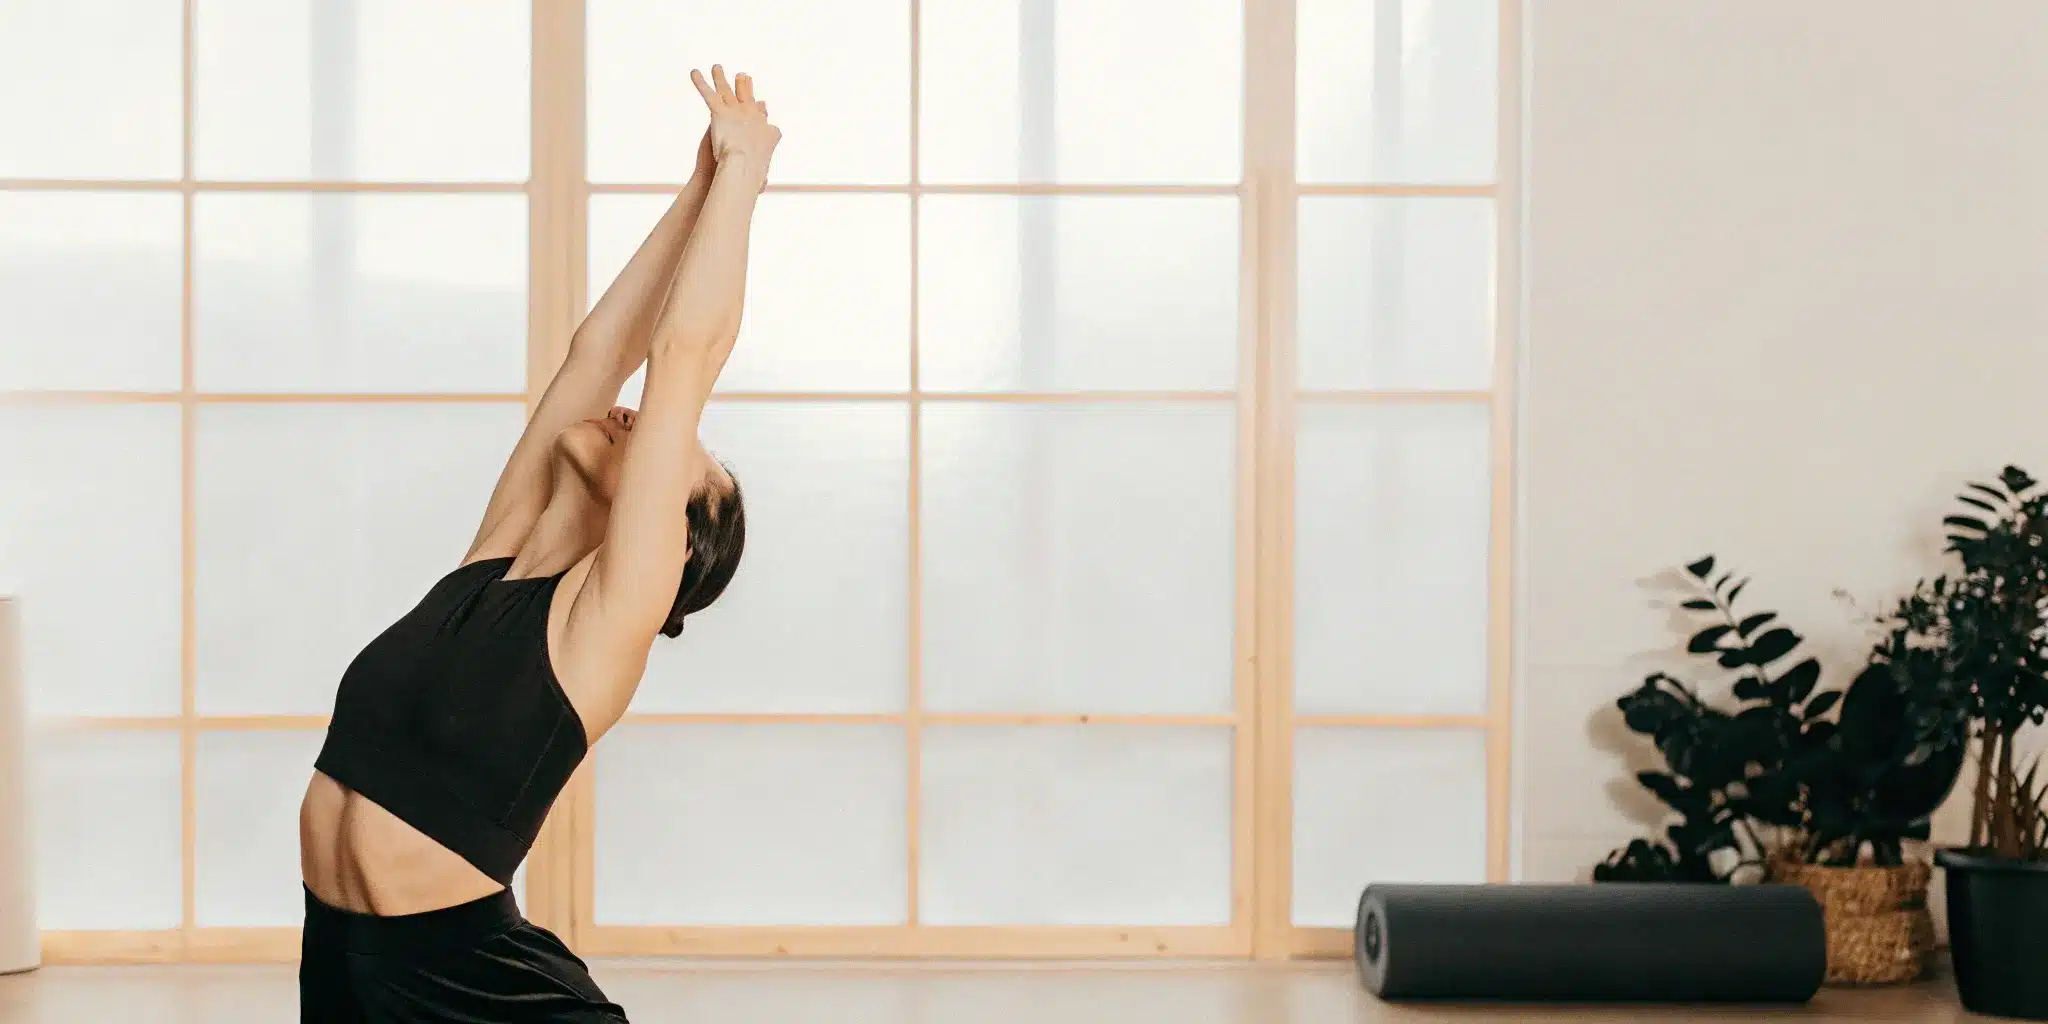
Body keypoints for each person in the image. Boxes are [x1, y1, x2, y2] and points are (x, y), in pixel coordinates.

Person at [295, 67, 779, 1023]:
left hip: (474, 990)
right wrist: (698, 184)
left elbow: (684, 353)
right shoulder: (496, 556)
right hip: (345, 968)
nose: (642, 416)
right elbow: (601, 352)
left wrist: (746, 178)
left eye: (679, 448)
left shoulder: (605, 623)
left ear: (670, 541)